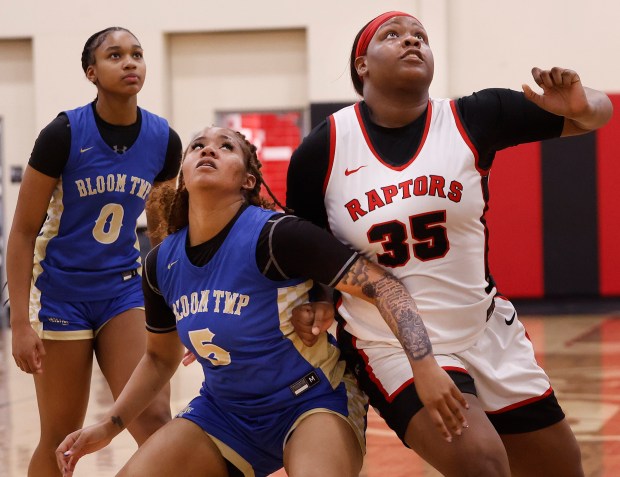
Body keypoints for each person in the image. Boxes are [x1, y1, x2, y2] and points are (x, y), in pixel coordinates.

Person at [286, 11, 613, 477]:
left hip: (484, 330)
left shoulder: (473, 116)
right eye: (393, 35)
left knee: (561, 467)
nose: (411, 41)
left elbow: (595, 116)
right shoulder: (323, 149)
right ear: (362, 65)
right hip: (390, 343)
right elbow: (309, 244)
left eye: (420, 35)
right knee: (481, 462)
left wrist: (582, 105)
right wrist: (316, 300)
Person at [55, 125, 468, 477]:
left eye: (225, 146)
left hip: (311, 400)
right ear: (182, 173)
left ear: (249, 180)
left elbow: (384, 286)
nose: (208, 149)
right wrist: (108, 427)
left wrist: (424, 364)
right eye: (197, 146)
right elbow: (160, 359)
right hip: (223, 412)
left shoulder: (276, 236)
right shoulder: (160, 262)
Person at [7, 27, 182, 476]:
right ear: (92, 72)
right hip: (61, 291)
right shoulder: (63, 133)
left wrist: (180, 306)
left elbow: (162, 238)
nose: (130, 63)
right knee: (61, 437)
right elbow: (24, 231)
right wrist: (21, 324)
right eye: (115, 55)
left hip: (122, 288)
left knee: (156, 423)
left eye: (137, 54)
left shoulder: (164, 140)